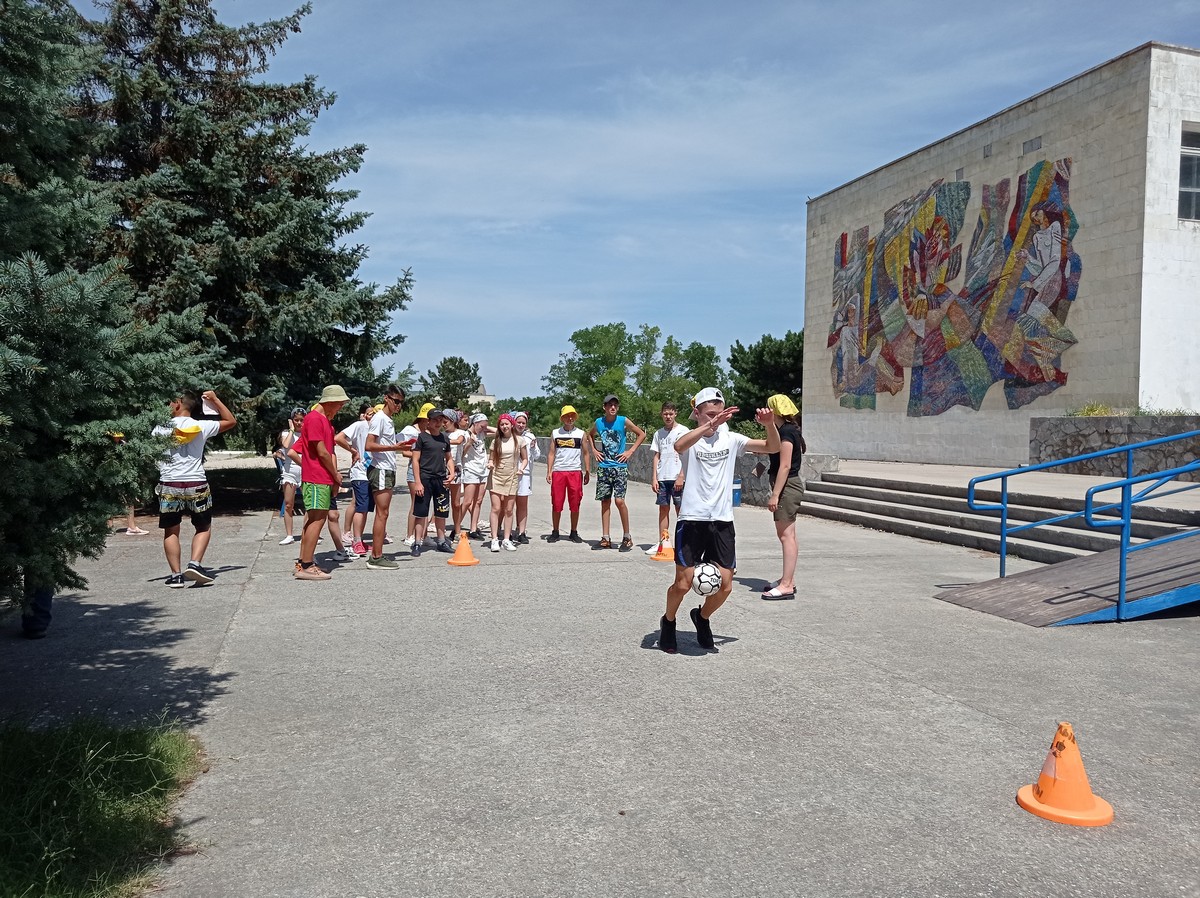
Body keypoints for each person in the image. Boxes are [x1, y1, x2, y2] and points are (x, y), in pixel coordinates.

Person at [657, 387, 779, 654]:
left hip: (722, 521)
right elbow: (678, 447)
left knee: (725, 586)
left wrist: (770, 424)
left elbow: (772, 447)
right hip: (692, 519)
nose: (716, 419)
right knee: (683, 584)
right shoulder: (688, 438)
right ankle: (668, 622)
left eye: (720, 414)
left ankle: (702, 618)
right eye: (710, 414)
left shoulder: (731, 439)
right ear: (697, 413)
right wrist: (708, 426)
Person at [152, 389, 237, 588]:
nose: (167, 406)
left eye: (169, 402)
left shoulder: (159, 429)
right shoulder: (201, 426)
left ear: (178, 403)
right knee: (203, 526)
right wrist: (215, 399)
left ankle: (176, 576)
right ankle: (195, 564)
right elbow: (231, 421)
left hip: (169, 484)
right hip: (196, 483)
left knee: (171, 530)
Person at [294, 386, 350, 580]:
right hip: (316, 477)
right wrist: (335, 474)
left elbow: (328, 451)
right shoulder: (315, 419)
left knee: (316, 518)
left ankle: (304, 562)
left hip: (320, 477)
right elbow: (322, 452)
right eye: (340, 404)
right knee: (316, 519)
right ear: (330, 402)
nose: (341, 407)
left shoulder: (323, 420)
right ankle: (306, 565)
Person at [587, 393, 645, 551]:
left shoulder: (623, 421)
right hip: (604, 467)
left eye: (615, 405)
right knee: (605, 501)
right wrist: (594, 450)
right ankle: (605, 537)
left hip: (619, 467)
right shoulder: (599, 422)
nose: (612, 407)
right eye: (609, 405)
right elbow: (590, 435)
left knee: (619, 501)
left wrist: (630, 451)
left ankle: (627, 536)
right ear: (604, 407)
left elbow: (641, 434)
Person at [763, 394, 807, 599]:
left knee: (786, 536)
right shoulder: (786, 430)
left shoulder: (787, 432)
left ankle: (787, 585)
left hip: (787, 487)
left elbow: (786, 465)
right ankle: (788, 579)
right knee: (788, 535)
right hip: (787, 486)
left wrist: (775, 495)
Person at [363, 385, 408, 570]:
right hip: (381, 469)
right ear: (386, 398)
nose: (398, 405)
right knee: (382, 514)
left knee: (384, 513)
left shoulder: (387, 419)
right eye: (396, 401)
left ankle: (377, 554)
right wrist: (394, 447)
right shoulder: (380, 418)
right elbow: (369, 445)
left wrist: (397, 446)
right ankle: (376, 556)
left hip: (387, 469)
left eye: (401, 402)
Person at [409, 409, 457, 556]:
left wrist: (452, 473)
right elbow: (415, 460)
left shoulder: (444, 438)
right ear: (428, 421)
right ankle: (417, 543)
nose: (438, 423)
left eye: (440, 420)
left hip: (441, 479)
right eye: (435, 420)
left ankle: (441, 541)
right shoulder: (422, 437)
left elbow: (449, 458)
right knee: (421, 513)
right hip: (425, 478)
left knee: (441, 512)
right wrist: (418, 482)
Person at [545, 405, 590, 543]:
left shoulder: (581, 433)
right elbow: (551, 453)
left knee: (575, 502)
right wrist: (549, 471)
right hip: (559, 471)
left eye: (572, 416)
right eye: (566, 416)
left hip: (575, 471)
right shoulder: (555, 433)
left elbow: (586, 453)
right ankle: (555, 531)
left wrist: (587, 471)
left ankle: (573, 531)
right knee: (557, 502)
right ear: (562, 418)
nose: (569, 419)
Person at [336, 403, 377, 557]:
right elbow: (338, 438)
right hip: (360, 473)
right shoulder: (360, 425)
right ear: (364, 415)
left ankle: (359, 539)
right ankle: (356, 540)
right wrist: (353, 450)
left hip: (373, 472)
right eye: (370, 413)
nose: (373, 416)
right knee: (361, 507)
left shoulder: (378, 429)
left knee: (365, 508)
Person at [647, 401, 689, 553]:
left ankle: (683, 542)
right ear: (661, 414)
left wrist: (681, 476)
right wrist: (654, 478)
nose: (668, 417)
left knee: (681, 510)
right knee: (663, 509)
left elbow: (687, 455)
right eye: (665, 414)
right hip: (663, 477)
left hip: (677, 477)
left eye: (671, 413)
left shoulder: (683, 431)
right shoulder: (658, 433)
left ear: (675, 413)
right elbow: (656, 456)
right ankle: (663, 542)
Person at [486, 413, 528, 552]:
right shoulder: (496, 441)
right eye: (502, 424)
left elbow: (525, 458)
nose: (504, 426)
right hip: (496, 476)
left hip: (512, 476)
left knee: (509, 509)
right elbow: (491, 458)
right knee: (496, 508)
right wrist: (490, 463)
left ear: (511, 425)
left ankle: (506, 539)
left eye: (507, 424)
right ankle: (494, 539)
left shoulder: (519, 440)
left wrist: (521, 468)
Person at [509, 411, 541, 544]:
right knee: (508, 505)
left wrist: (533, 447)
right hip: (509, 472)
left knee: (522, 504)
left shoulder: (530, 437)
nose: (521, 425)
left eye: (523, 423)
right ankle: (506, 531)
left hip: (525, 473)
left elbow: (537, 455)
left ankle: (521, 531)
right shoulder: (508, 435)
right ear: (514, 422)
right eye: (519, 422)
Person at [276, 407, 306, 545]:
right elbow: (286, 444)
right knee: (289, 504)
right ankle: (289, 534)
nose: (299, 423)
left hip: (305, 470)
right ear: (292, 420)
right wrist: (292, 430)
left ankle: (308, 533)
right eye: (296, 420)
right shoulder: (286, 433)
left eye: (302, 420)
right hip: (290, 471)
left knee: (309, 504)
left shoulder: (307, 433)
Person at [460, 413, 491, 540]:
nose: (483, 429)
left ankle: (473, 528)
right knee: (467, 501)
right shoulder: (465, 434)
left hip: (482, 470)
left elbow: (498, 432)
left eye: (485, 426)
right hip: (470, 469)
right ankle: (457, 526)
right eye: (481, 426)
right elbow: (461, 454)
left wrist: (485, 427)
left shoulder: (482, 434)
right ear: (475, 423)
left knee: (478, 501)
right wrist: (469, 443)